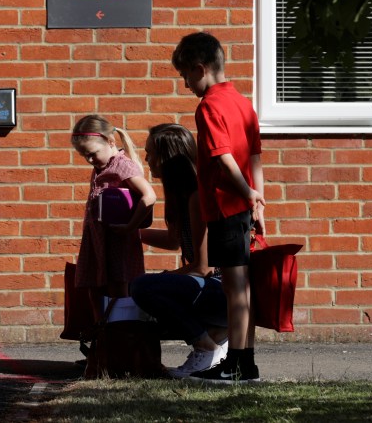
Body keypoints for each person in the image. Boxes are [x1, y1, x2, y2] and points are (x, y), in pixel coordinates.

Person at [171, 31, 265, 383]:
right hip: (242, 207)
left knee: (234, 287)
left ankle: (238, 364)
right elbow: (255, 158)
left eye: (185, 76)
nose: (185, 85)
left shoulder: (209, 106)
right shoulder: (243, 102)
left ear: (200, 68)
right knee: (243, 286)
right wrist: (258, 201)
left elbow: (224, 158)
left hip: (226, 207)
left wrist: (246, 195)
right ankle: (245, 361)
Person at [129, 123, 228, 378]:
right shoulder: (178, 194)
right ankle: (215, 336)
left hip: (220, 290)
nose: (147, 159)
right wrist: (130, 234)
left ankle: (207, 346)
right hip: (205, 289)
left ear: (167, 155)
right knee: (146, 291)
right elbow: (174, 240)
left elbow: (204, 267)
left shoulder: (197, 195)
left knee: (143, 288)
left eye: (150, 153)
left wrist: (166, 277)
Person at [71, 115, 157, 322]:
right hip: (98, 240)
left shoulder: (123, 165)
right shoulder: (101, 166)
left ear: (110, 141)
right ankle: (102, 341)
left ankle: (121, 338)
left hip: (118, 241)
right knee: (94, 286)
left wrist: (130, 227)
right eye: (84, 156)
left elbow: (149, 196)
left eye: (92, 154)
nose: (89, 160)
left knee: (119, 289)